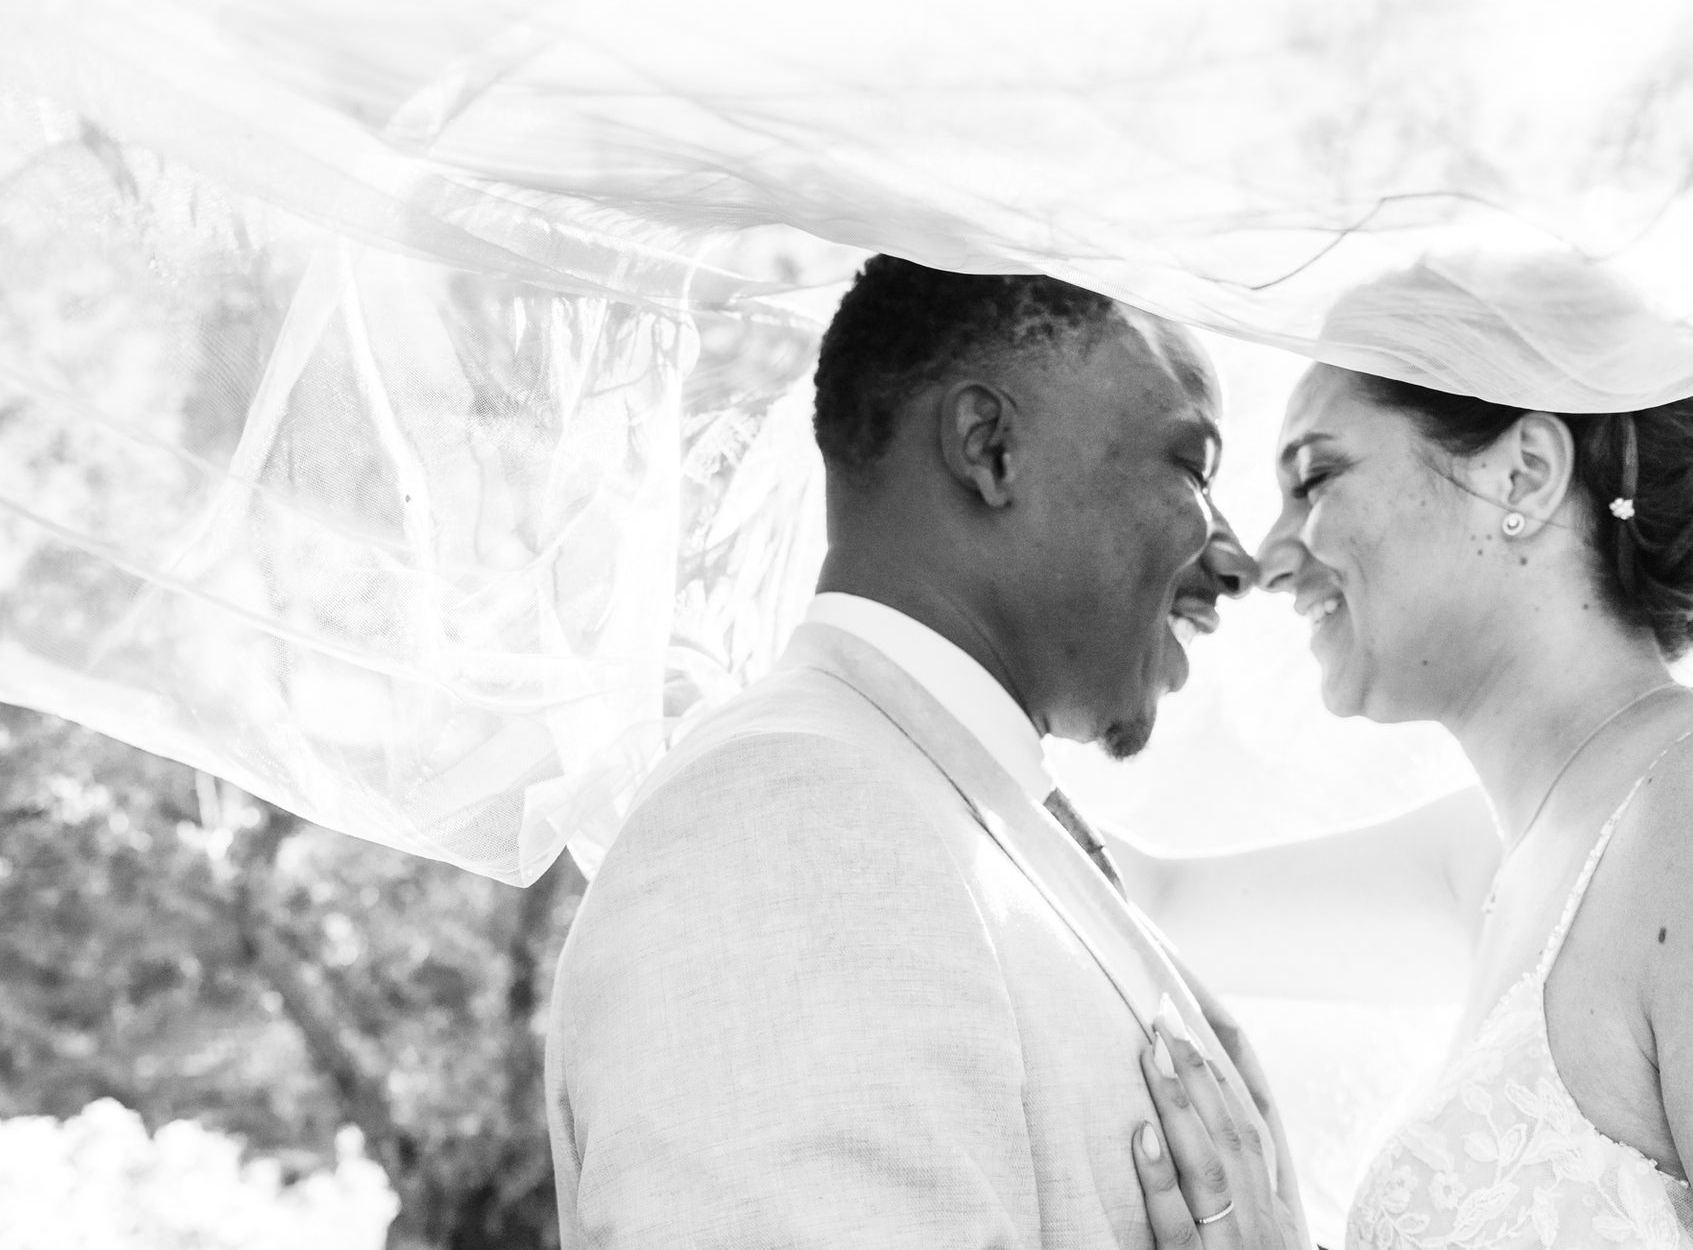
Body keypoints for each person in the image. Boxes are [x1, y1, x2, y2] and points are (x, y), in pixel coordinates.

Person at [543, 255, 1311, 1248]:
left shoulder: (930, 808)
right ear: (989, 447)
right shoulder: (781, 830)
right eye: (1191, 467)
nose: (1237, 556)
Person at [1119, 354, 1693, 1247]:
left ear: (1525, 474)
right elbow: (1149, 904)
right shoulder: (1491, 854)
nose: (1269, 560)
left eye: (1315, 478)